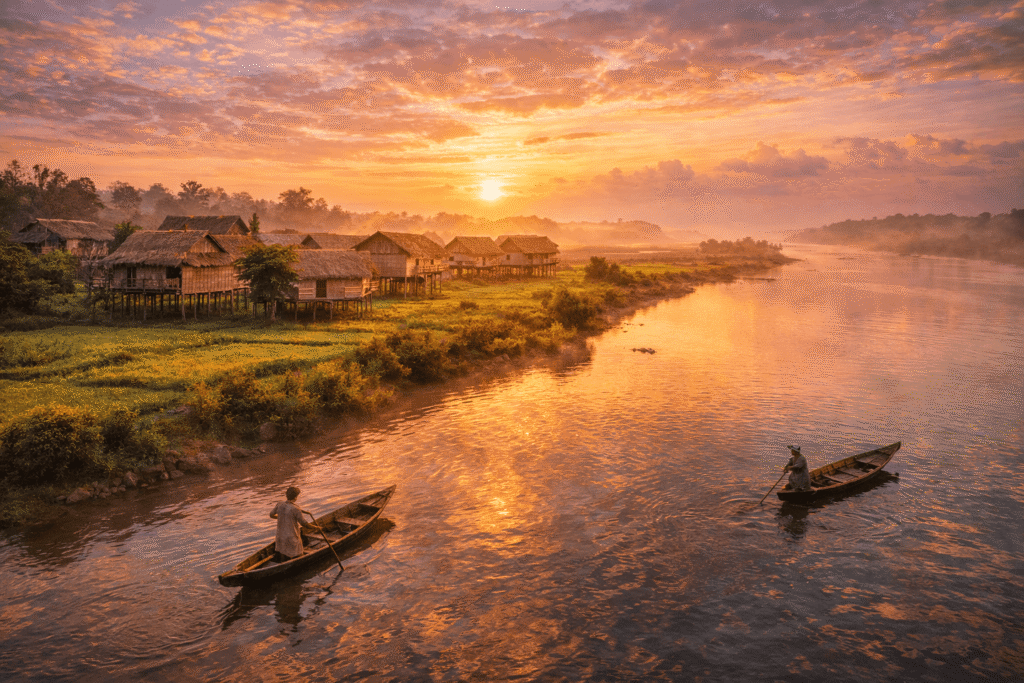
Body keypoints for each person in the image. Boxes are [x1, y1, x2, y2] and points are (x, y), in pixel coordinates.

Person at [270, 486, 317, 561]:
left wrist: (282, 518)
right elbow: (305, 524)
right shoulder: (296, 509)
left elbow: (271, 515)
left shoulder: (280, 504)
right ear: (296, 497)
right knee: (299, 554)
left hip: (280, 536)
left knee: (283, 552)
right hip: (291, 538)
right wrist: (316, 527)